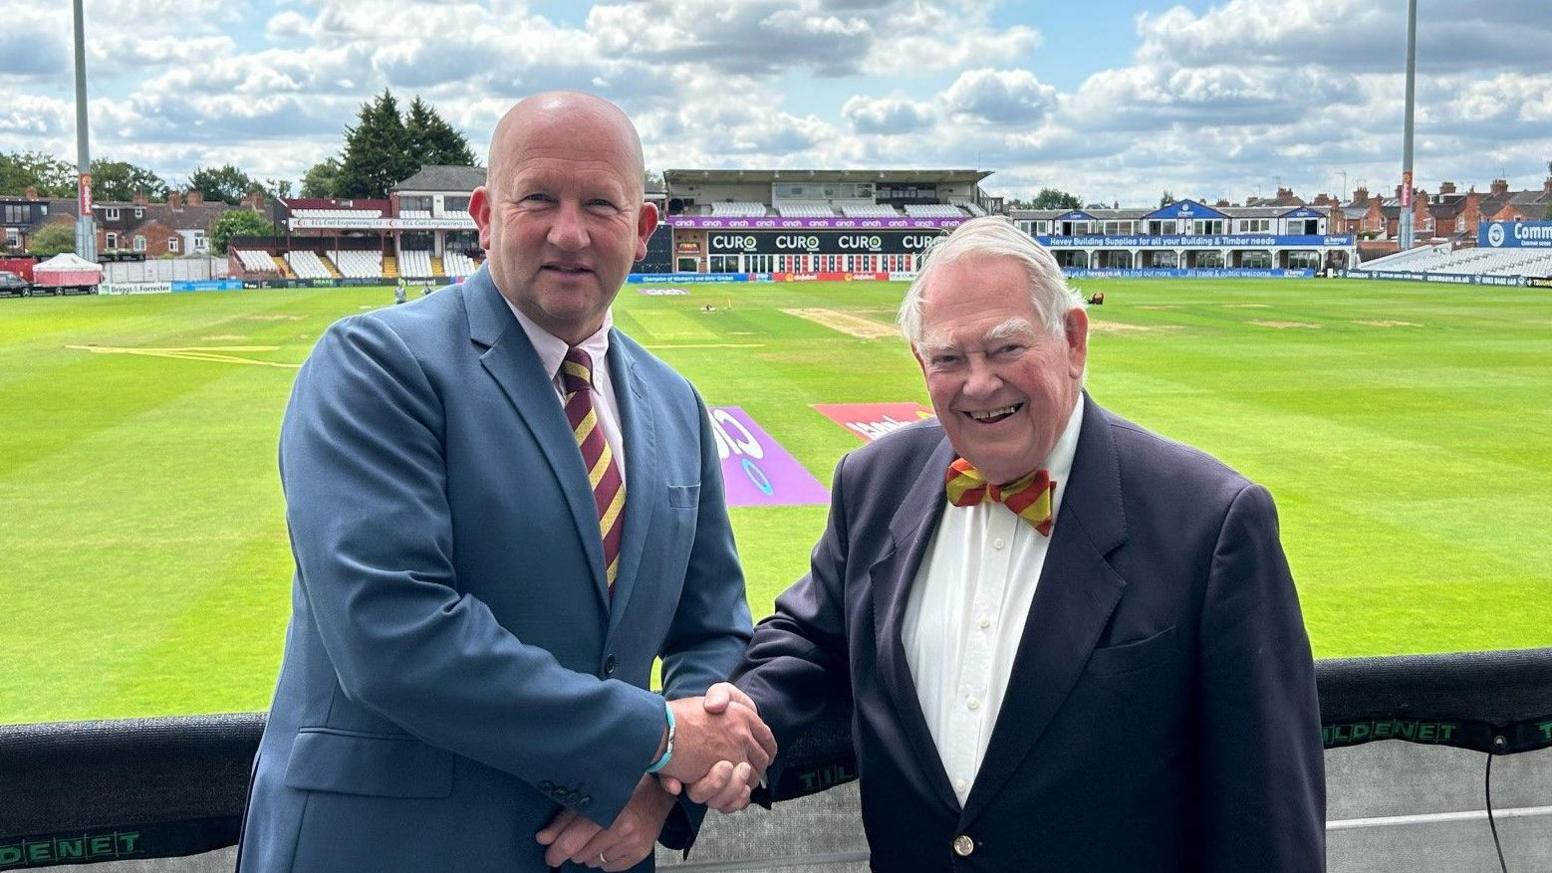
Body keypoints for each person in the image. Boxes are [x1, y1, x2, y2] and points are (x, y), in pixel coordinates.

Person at [235, 92, 774, 873]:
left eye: (600, 204)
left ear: (644, 228)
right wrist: (654, 736)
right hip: (391, 851)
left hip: (606, 853)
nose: (569, 232)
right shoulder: (375, 365)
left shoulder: (675, 404)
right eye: (538, 200)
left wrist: (657, 786)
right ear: (485, 216)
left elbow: (713, 627)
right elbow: (394, 632)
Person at [684, 217, 1325, 870]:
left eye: (1006, 348)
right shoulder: (875, 482)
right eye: (949, 358)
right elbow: (811, 640)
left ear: (1072, 340)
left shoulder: (1210, 522)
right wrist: (738, 717)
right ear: (920, 362)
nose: (980, 383)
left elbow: (1269, 824)